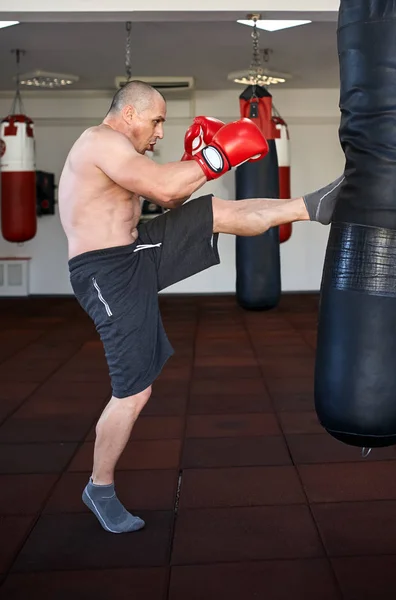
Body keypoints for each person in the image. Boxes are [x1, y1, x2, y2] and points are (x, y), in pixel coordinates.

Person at [58, 80, 344, 534]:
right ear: (130, 113)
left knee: (214, 213)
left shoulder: (121, 152)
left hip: (136, 250)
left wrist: (200, 163)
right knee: (134, 391)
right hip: (105, 273)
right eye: (155, 121)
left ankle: (314, 206)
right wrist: (212, 156)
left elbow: (175, 195)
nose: (158, 133)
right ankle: (100, 487)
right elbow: (167, 191)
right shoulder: (100, 142)